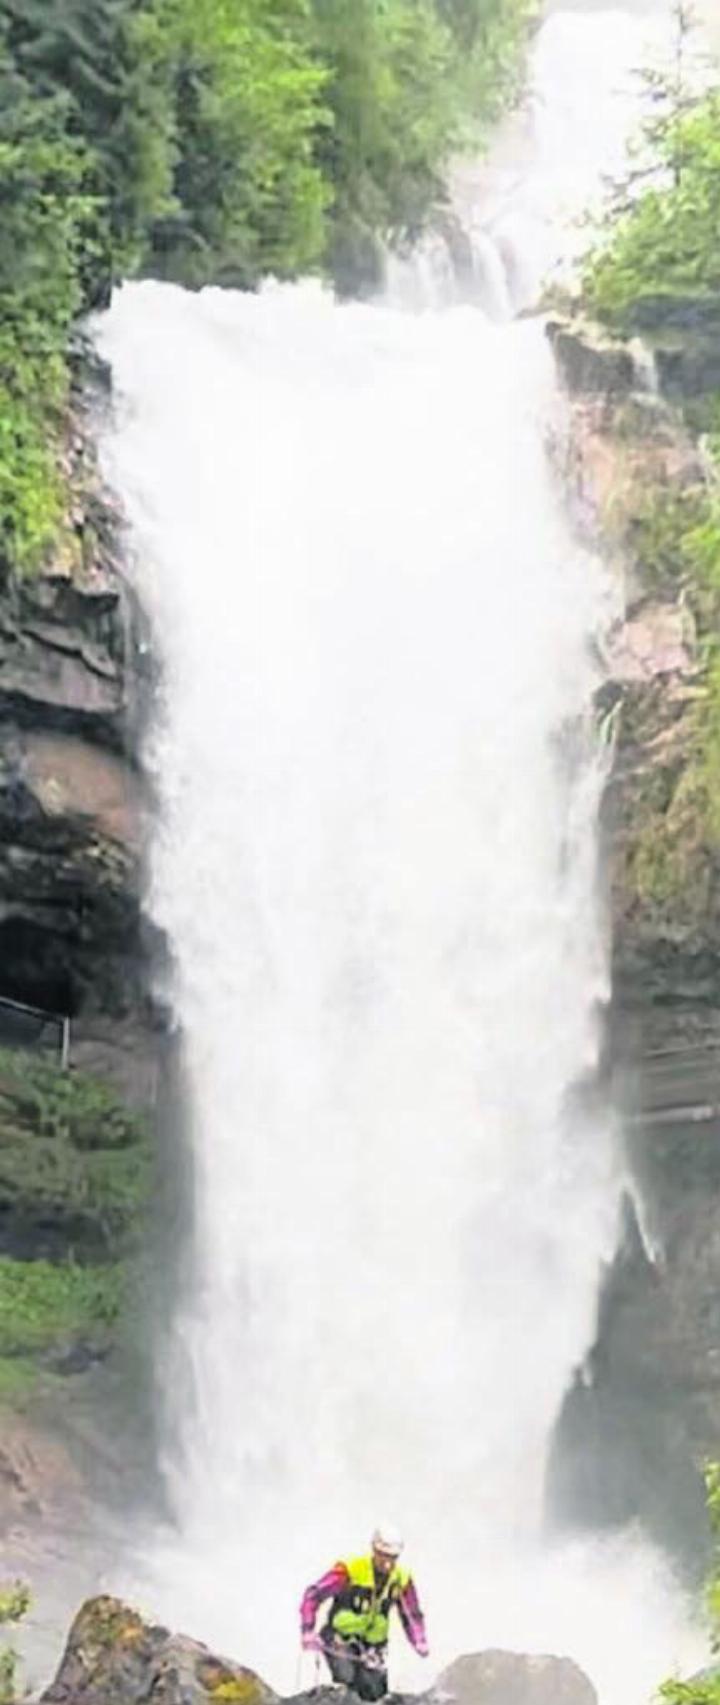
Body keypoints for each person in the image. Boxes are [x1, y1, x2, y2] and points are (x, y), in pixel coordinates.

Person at [300, 1523, 429, 1700]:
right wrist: (308, 1630)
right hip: (340, 1642)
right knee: (348, 1687)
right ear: (374, 1550)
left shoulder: (401, 1578)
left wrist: (419, 1640)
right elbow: (314, 1595)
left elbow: (411, 1613)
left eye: (392, 1558)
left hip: (373, 1648)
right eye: (383, 1556)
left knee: (376, 1693)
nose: (387, 1564)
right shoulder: (350, 1570)